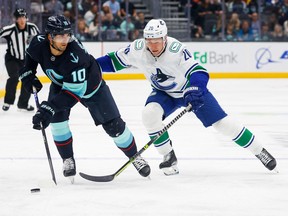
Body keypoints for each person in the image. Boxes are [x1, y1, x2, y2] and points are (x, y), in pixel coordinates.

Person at [95, 19, 277, 176]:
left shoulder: (176, 50)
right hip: (164, 93)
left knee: (223, 125)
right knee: (149, 114)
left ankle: (259, 150)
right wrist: (90, 65)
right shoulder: (137, 49)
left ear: (165, 38)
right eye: (149, 41)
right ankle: (168, 156)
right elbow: (113, 61)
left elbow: (199, 71)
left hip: (190, 91)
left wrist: (195, 88)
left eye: (157, 41)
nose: (153, 46)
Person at [18, 15, 150, 180]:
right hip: (61, 85)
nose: (65, 40)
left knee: (115, 127)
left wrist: (49, 108)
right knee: (57, 123)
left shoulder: (75, 55)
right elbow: (31, 57)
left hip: (92, 88)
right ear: (49, 36)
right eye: (60, 36)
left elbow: (72, 94)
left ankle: (135, 156)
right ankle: (68, 159)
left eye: (67, 35)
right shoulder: (37, 42)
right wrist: (28, 73)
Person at [0, 8, 39, 111]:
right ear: (16, 19)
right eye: (19, 18)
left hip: (26, 59)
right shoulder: (10, 29)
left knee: (28, 78)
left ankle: (23, 104)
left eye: (23, 17)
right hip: (12, 58)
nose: (22, 20)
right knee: (14, 77)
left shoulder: (33, 28)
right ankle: (7, 102)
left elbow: (41, 40)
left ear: (26, 18)